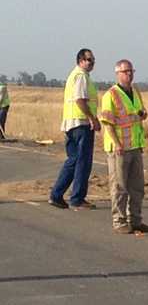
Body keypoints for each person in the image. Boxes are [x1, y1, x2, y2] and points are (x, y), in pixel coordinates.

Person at [99, 59, 148, 234]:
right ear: (118, 74)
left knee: (137, 187)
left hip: (135, 145)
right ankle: (119, 220)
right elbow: (107, 123)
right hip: (119, 148)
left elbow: (139, 114)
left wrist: (142, 115)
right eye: (125, 71)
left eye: (131, 71)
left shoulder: (135, 91)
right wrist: (116, 143)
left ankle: (135, 220)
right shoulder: (111, 95)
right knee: (119, 186)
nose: (129, 74)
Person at [49, 49, 101, 210]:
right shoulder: (81, 76)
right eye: (89, 59)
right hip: (81, 124)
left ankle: (56, 195)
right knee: (83, 162)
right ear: (80, 60)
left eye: (93, 60)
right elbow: (80, 100)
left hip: (72, 123)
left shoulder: (76, 75)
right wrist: (92, 118)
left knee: (73, 160)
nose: (92, 63)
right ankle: (77, 198)